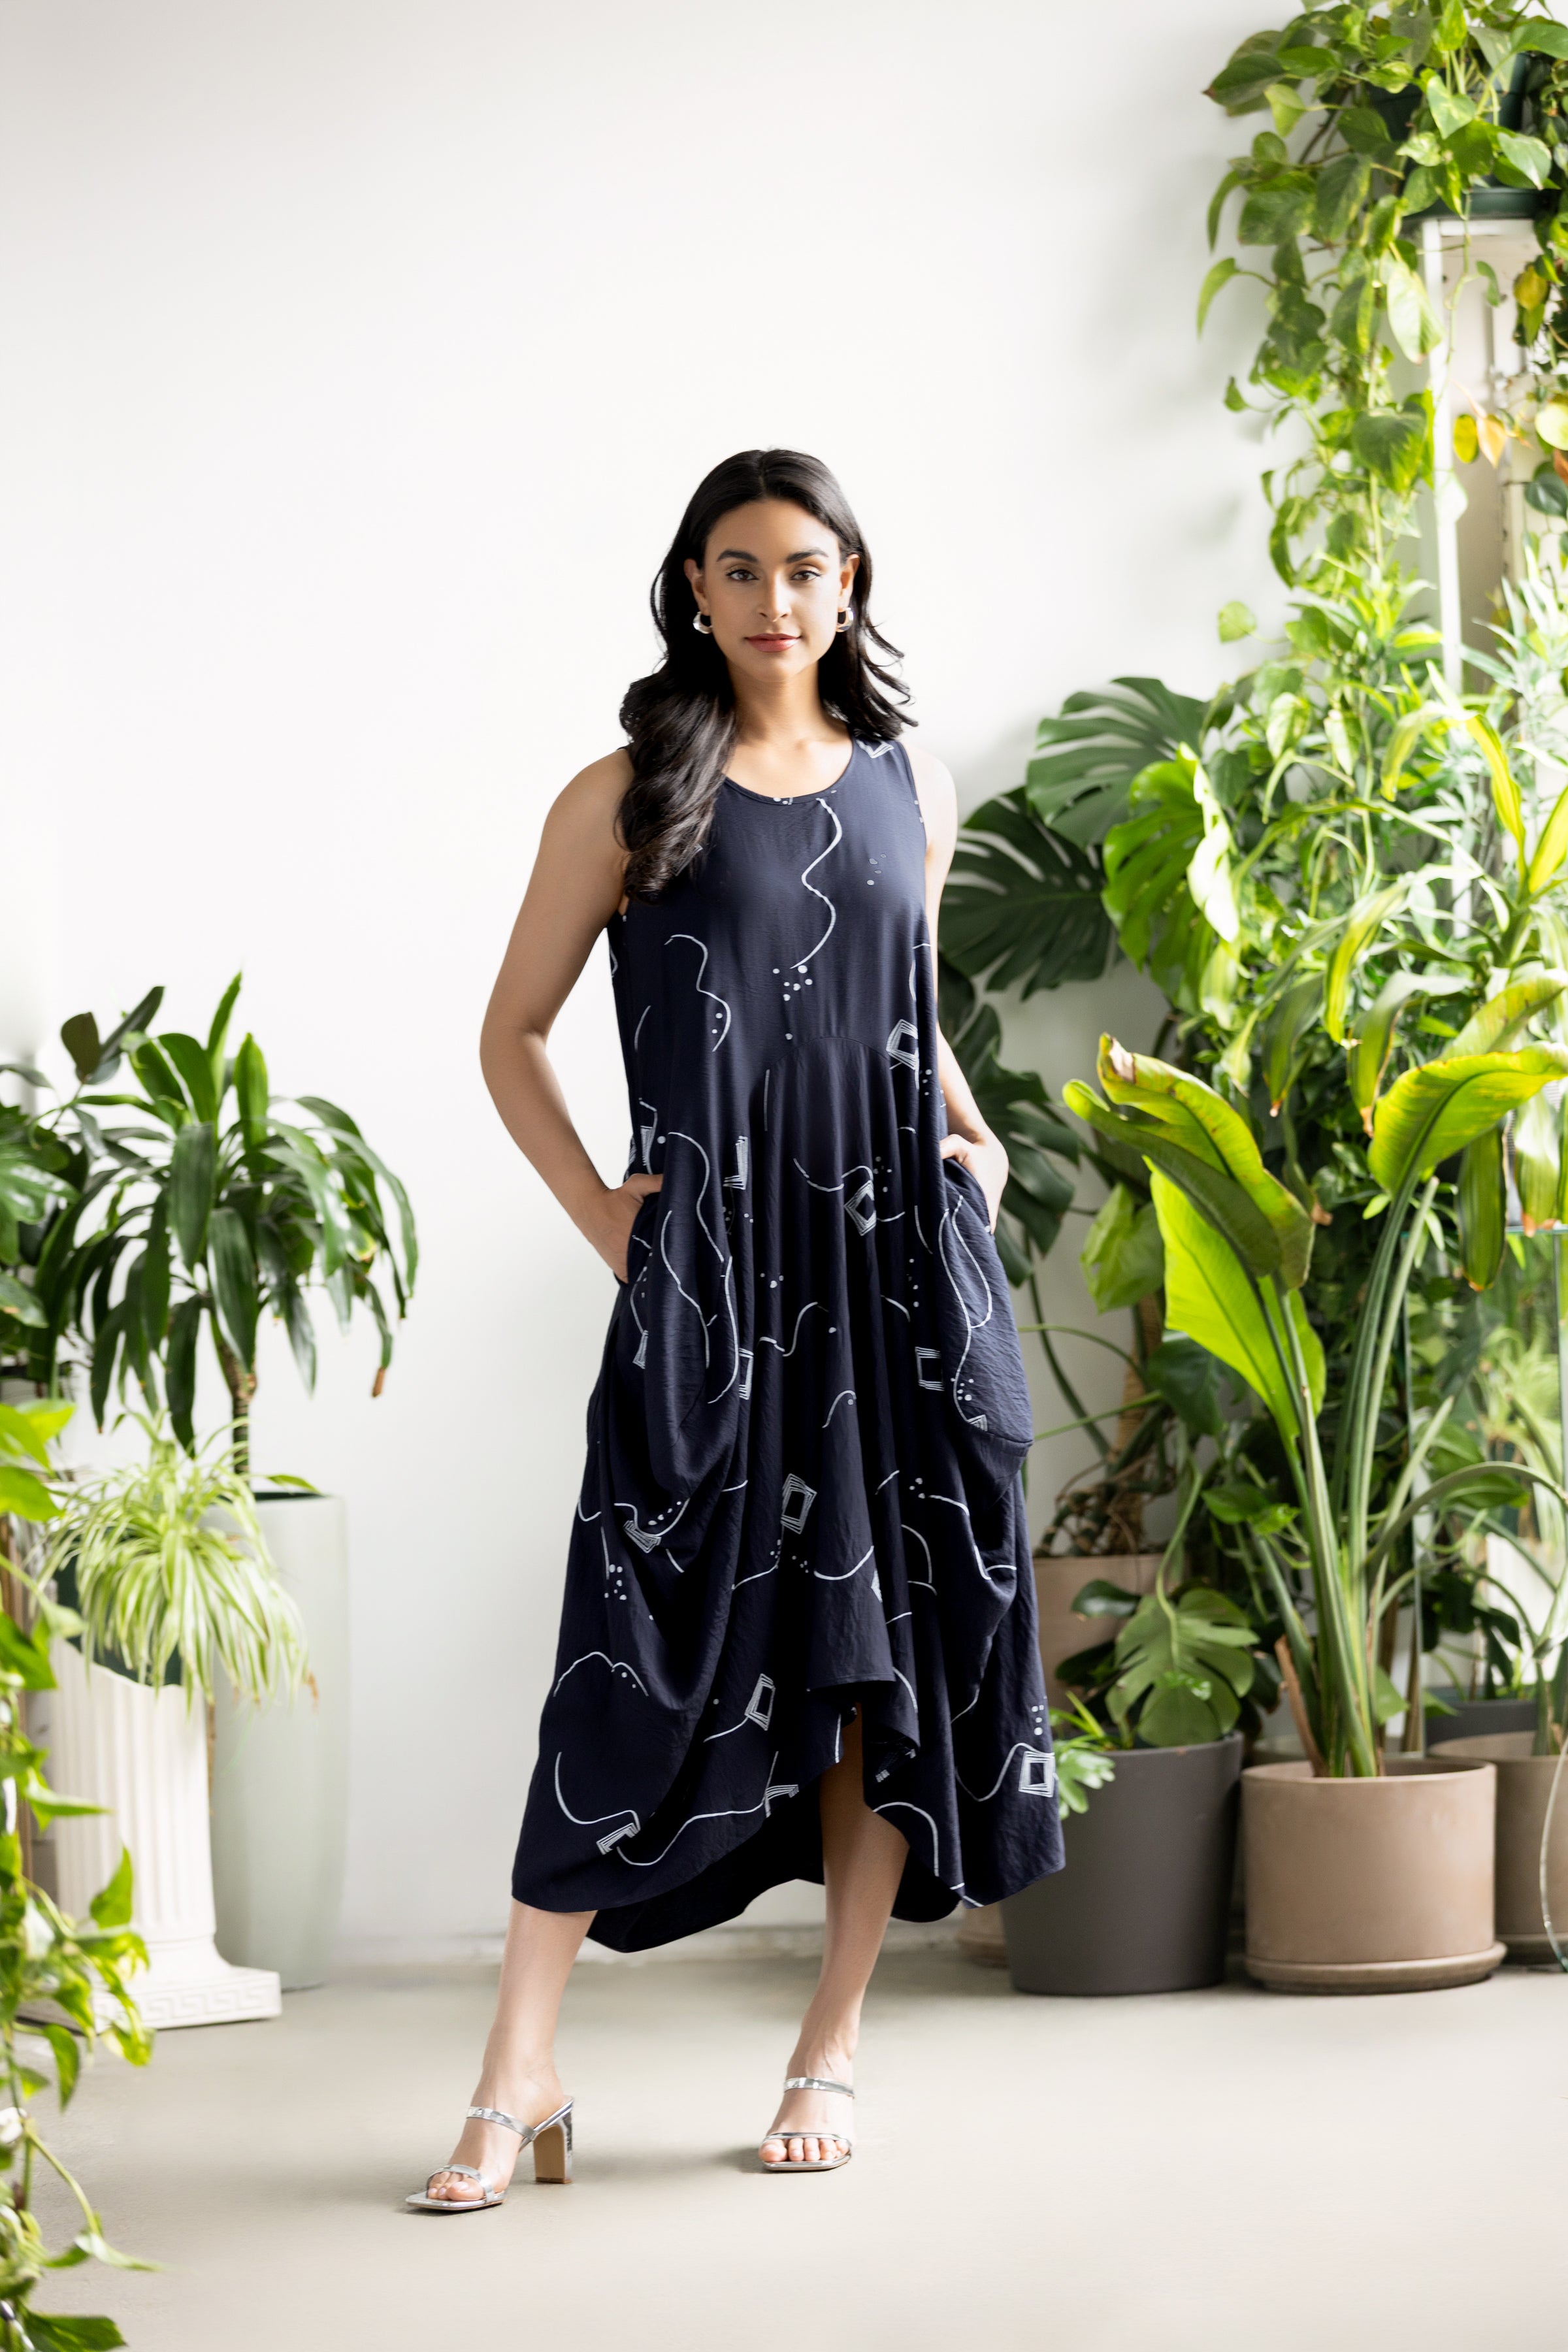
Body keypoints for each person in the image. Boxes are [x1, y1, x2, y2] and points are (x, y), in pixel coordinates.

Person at [408, 448, 1061, 2210]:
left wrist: (976, 1147)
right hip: (715, 1292)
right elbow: (512, 1035)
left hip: (888, 1289)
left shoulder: (902, 788)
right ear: (694, 588)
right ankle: (517, 2069)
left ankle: (829, 2045)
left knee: (869, 1676)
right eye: (744, 569)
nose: (780, 602)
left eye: (810, 569)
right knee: (622, 1654)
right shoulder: (628, 796)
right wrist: (604, 1214)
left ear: (851, 586)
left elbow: (909, 1022)